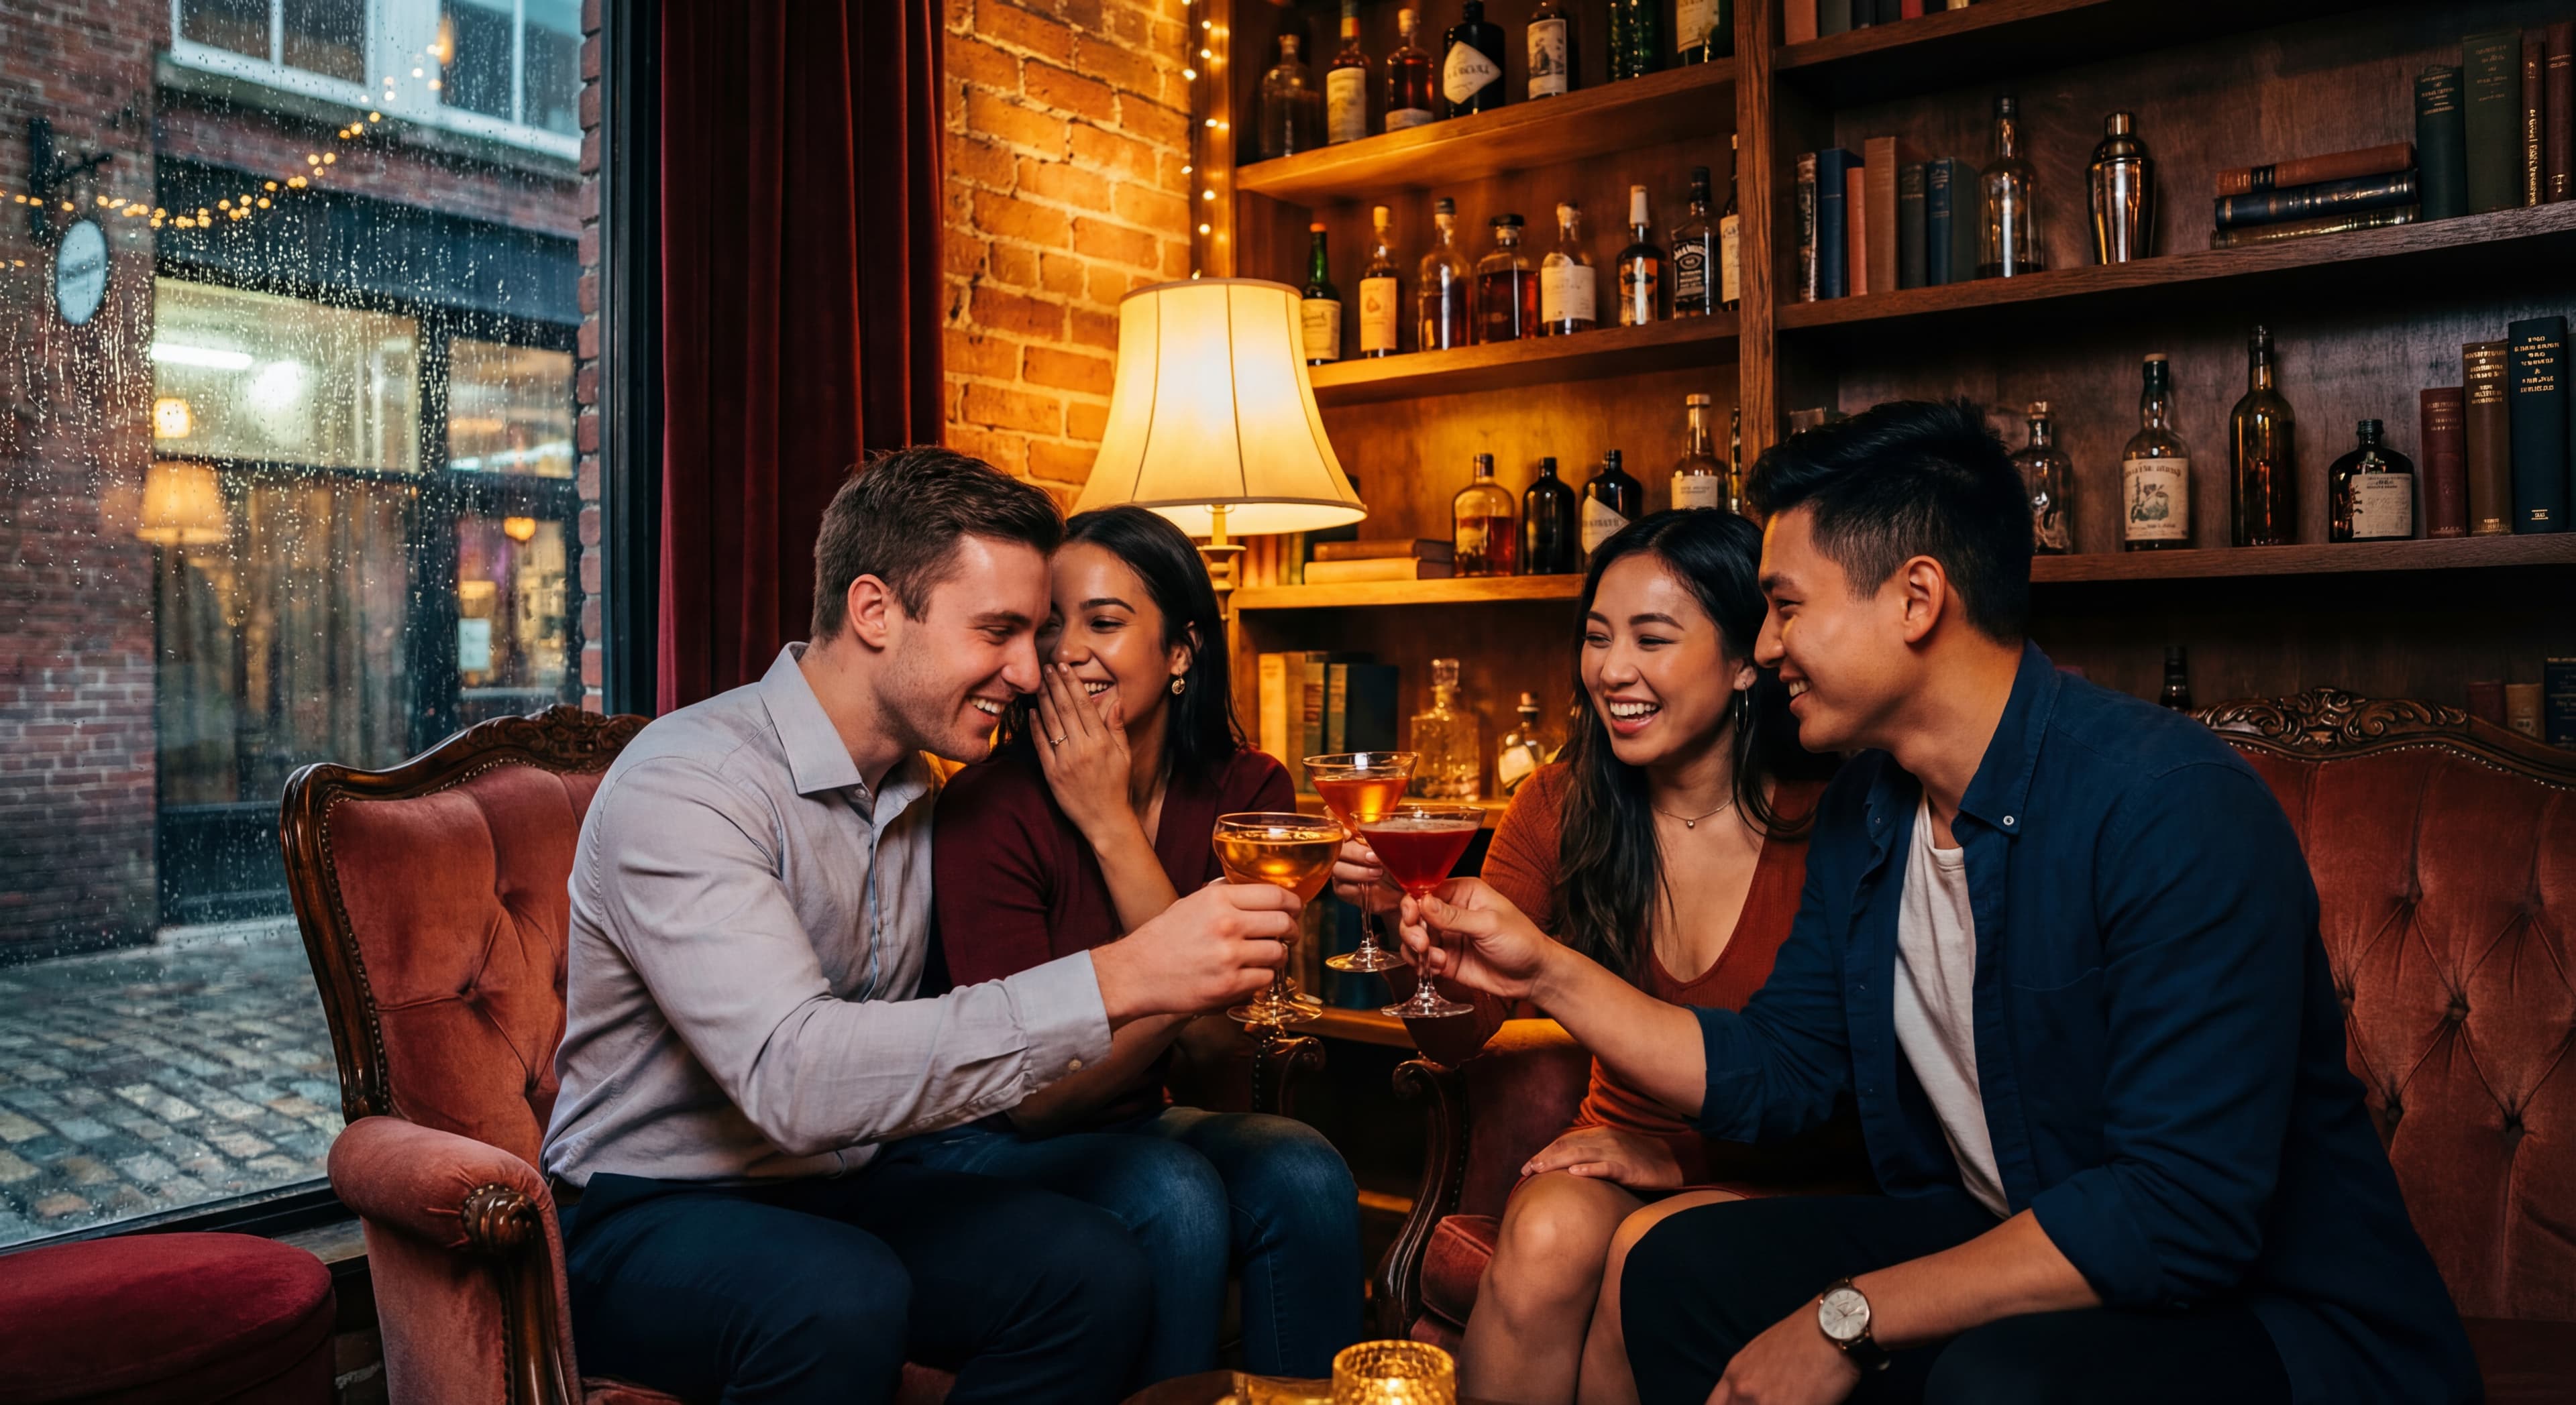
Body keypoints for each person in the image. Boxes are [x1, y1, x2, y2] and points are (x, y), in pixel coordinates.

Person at [1396, 401, 2479, 1405]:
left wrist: (1845, 1319)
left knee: (2000, 1383)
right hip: (1998, 1232)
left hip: (2273, 1319)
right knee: (1674, 1271)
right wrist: (1539, 968)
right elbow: (1785, 1071)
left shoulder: (2170, 804)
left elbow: (2179, 1215)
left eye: (1783, 608)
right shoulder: (1874, 806)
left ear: (1917, 599)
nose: (1764, 647)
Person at [541, 449, 1305, 1405]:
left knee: (1093, 1269)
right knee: (840, 1293)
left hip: (844, 1185)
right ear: (873, 612)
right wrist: (1124, 977)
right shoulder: (692, 781)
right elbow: (796, 1077)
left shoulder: (914, 790)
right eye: (1000, 631)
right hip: (643, 1211)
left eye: (1036, 635)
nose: (1032, 673)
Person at [1334, 510, 1850, 1405]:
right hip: (1612, 1147)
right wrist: (1396, 926)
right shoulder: (1564, 800)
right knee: (1541, 1241)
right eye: (1598, 638)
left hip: (1798, 1168)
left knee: (1641, 1260)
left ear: (1742, 662)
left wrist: (1683, 1164)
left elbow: (1853, 1086)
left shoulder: (1834, 818)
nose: (1613, 670)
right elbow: (1458, 1043)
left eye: (1652, 638)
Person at [914, 504, 1363, 1382]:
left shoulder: (1248, 791)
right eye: (1051, 627)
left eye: (1105, 622)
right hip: (980, 1140)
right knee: (1176, 1195)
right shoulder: (986, 810)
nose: (1068, 650)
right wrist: (1192, 968)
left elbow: (1220, 1049)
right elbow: (1036, 1097)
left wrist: (1113, 825)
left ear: (1184, 651)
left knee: (1307, 1171)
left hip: (1135, 1115)